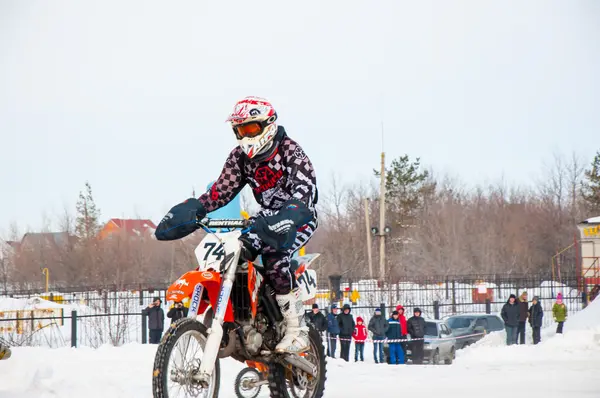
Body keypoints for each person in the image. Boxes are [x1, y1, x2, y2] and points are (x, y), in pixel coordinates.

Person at [154, 96, 319, 354]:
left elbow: (305, 191)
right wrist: (195, 208)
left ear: (268, 124)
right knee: (235, 253)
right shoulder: (240, 158)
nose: (245, 135)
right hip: (264, 218)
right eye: (240, 129)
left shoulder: (291, 151)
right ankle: (248, 318)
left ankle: (297, 329)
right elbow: (221, 190)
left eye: (251, 128)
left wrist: (289, 215)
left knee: (274, 256)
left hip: (299, 217)